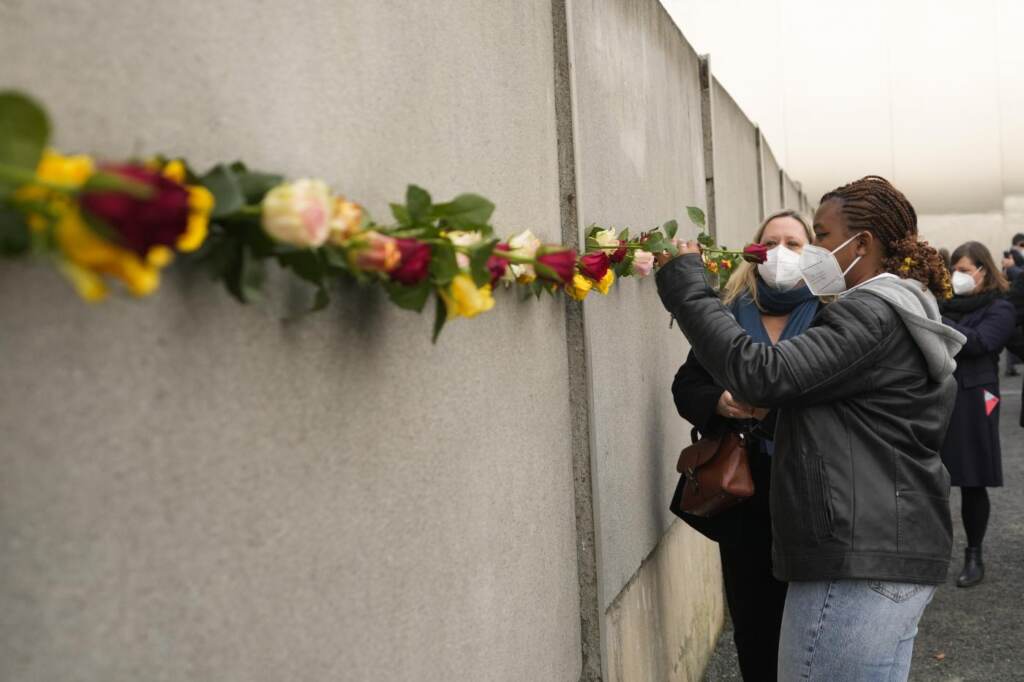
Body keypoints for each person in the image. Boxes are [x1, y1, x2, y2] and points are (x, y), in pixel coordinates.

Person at [656, 176, 965, 681]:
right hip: (879, 547)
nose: (814, 250)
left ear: (861, 243)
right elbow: (853, 416)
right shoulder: (895, 308)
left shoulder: (872, 311)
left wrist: (685, 286)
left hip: (856, 557)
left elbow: (763, 372)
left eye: (820, 236)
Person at [672, 210, 817, 680]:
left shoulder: (829, 311)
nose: (779, 252)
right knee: (753, 618)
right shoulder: (731, 310)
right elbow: (686, 384)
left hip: (810, 484)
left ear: (812, 252)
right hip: (743, 486)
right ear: (751, 252)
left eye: (793, 244)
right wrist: (720, 402)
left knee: (811, 616)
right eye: (769, 242)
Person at [939, 241, 1015, 587]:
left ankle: (974, 554)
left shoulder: (1000, 307)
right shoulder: (945, 305)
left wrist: (937, 324)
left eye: (965, 270)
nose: (958, 277)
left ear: (984, 271)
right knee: (933, 479)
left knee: (972, 477)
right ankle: (934, 552)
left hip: (976, 396)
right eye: (954, 269)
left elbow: (981, 343)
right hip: (938, 393)